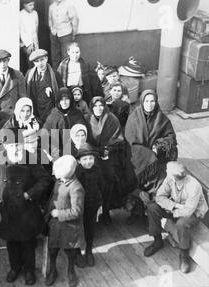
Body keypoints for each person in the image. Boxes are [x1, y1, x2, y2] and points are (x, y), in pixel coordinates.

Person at [0, 129, 53, 286]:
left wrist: (30, 194)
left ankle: (29, 270)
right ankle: (15, 268)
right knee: (11, 241)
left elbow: (45, 180)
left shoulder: (30, 158)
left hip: (26, 209)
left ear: (23, 144)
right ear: (5, 146)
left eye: (18, 145)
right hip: (6, 209)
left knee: (28, 241)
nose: (15, 148)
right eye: (12, 145)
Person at [143, 162, 208, 274]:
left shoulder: (194, 186)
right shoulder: (170, 179)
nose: (166, 172)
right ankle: (157, 241)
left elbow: (189, 211)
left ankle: (184, 255)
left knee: (181, 224)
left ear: (174, 176)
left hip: (194, 213)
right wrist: (174, 206)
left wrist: (172, 212)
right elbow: (159, 197)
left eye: (168, 171)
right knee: (152, 207)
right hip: (176, 208)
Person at [88, 96, 136, 225]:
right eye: (95, 106)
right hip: (92, 156)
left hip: (109, 157)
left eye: (101, 106)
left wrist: (108, 148)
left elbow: (118, 139)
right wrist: (94, 150)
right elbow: (85, 139)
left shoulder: (112, 119)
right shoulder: (87, 120)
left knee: (108, 184)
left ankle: (106, 212)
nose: (98, 109)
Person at [125, 90, 178, 196]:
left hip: (157, 153)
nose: (149, 104)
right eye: (147, 101)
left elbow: (171, 138)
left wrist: (158, 146)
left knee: (163, 174)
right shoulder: (134, 117)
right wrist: (147, 153)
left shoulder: (161, 118)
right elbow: (130, 141)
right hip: (139, 154)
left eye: (152, 101)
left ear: (156, 102)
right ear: (142, 102)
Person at [45, 155, 84, 287]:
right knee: (53, 249)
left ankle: (71, 271)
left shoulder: (76, 187)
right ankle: (52, 270)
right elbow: (53, 198)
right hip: (55, 225)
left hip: (69, 226)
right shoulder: (59, 181)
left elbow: (77, 211)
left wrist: (59, 213)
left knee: (70, 251)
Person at [75, 143, 104, 267]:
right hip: (77, 206)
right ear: (79, 161)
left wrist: (100, 203)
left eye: (91, 158)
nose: (88, 162)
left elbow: (101, 187)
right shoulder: (76, 173)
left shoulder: (97, 171)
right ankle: (77, 253)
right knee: (76, 229)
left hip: (92, 205)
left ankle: (89, 251)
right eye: (85, 159)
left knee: (90, 229)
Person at [43, 87, 91, 160]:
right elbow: (45, 135)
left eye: (67, 99)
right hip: (58, 153)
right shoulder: (53, 115)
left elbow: (84, 132)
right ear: (58, 101)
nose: (64, 102)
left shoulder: (77, 114)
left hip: (76, 150)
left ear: (71, 100)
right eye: (62, 100)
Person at [0, 49, 27, 127]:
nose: (2, 64)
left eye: (5, 61)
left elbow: (23, 97)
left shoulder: (18, 75)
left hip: (12, 117)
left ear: (8, 61)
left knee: (13, 138)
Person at [25, 49, 60, 123]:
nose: (40, 63)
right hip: (35, 110)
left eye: (42, 60)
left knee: (53, 132)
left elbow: (60, 94)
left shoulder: (54, 74)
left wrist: (51, 94)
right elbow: (25, 93)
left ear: (46, 59)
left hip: (50, 109)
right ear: (34, 63)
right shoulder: (29, 74)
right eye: (37, 61)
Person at [48, 0, 79, 68]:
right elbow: (50, 19)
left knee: (66, 56)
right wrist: (52, 29)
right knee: (55, 56)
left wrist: (74, 34)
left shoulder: (68, 5)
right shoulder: (51, 6)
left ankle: (65, 76)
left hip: (66, 34)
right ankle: (56, 75)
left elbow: (75, 20)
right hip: (54, 34)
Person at [19, 0, 39, 73]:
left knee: (37, 59)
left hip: (34, 41)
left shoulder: (35, 13)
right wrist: (29, 44)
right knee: (29, 61)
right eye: (30, 5)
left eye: (33, 5)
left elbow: (36, 27)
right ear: (24, 5)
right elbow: (21, 31)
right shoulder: (20, 14)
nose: (32, 7)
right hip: (26, 43)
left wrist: (34, 42)